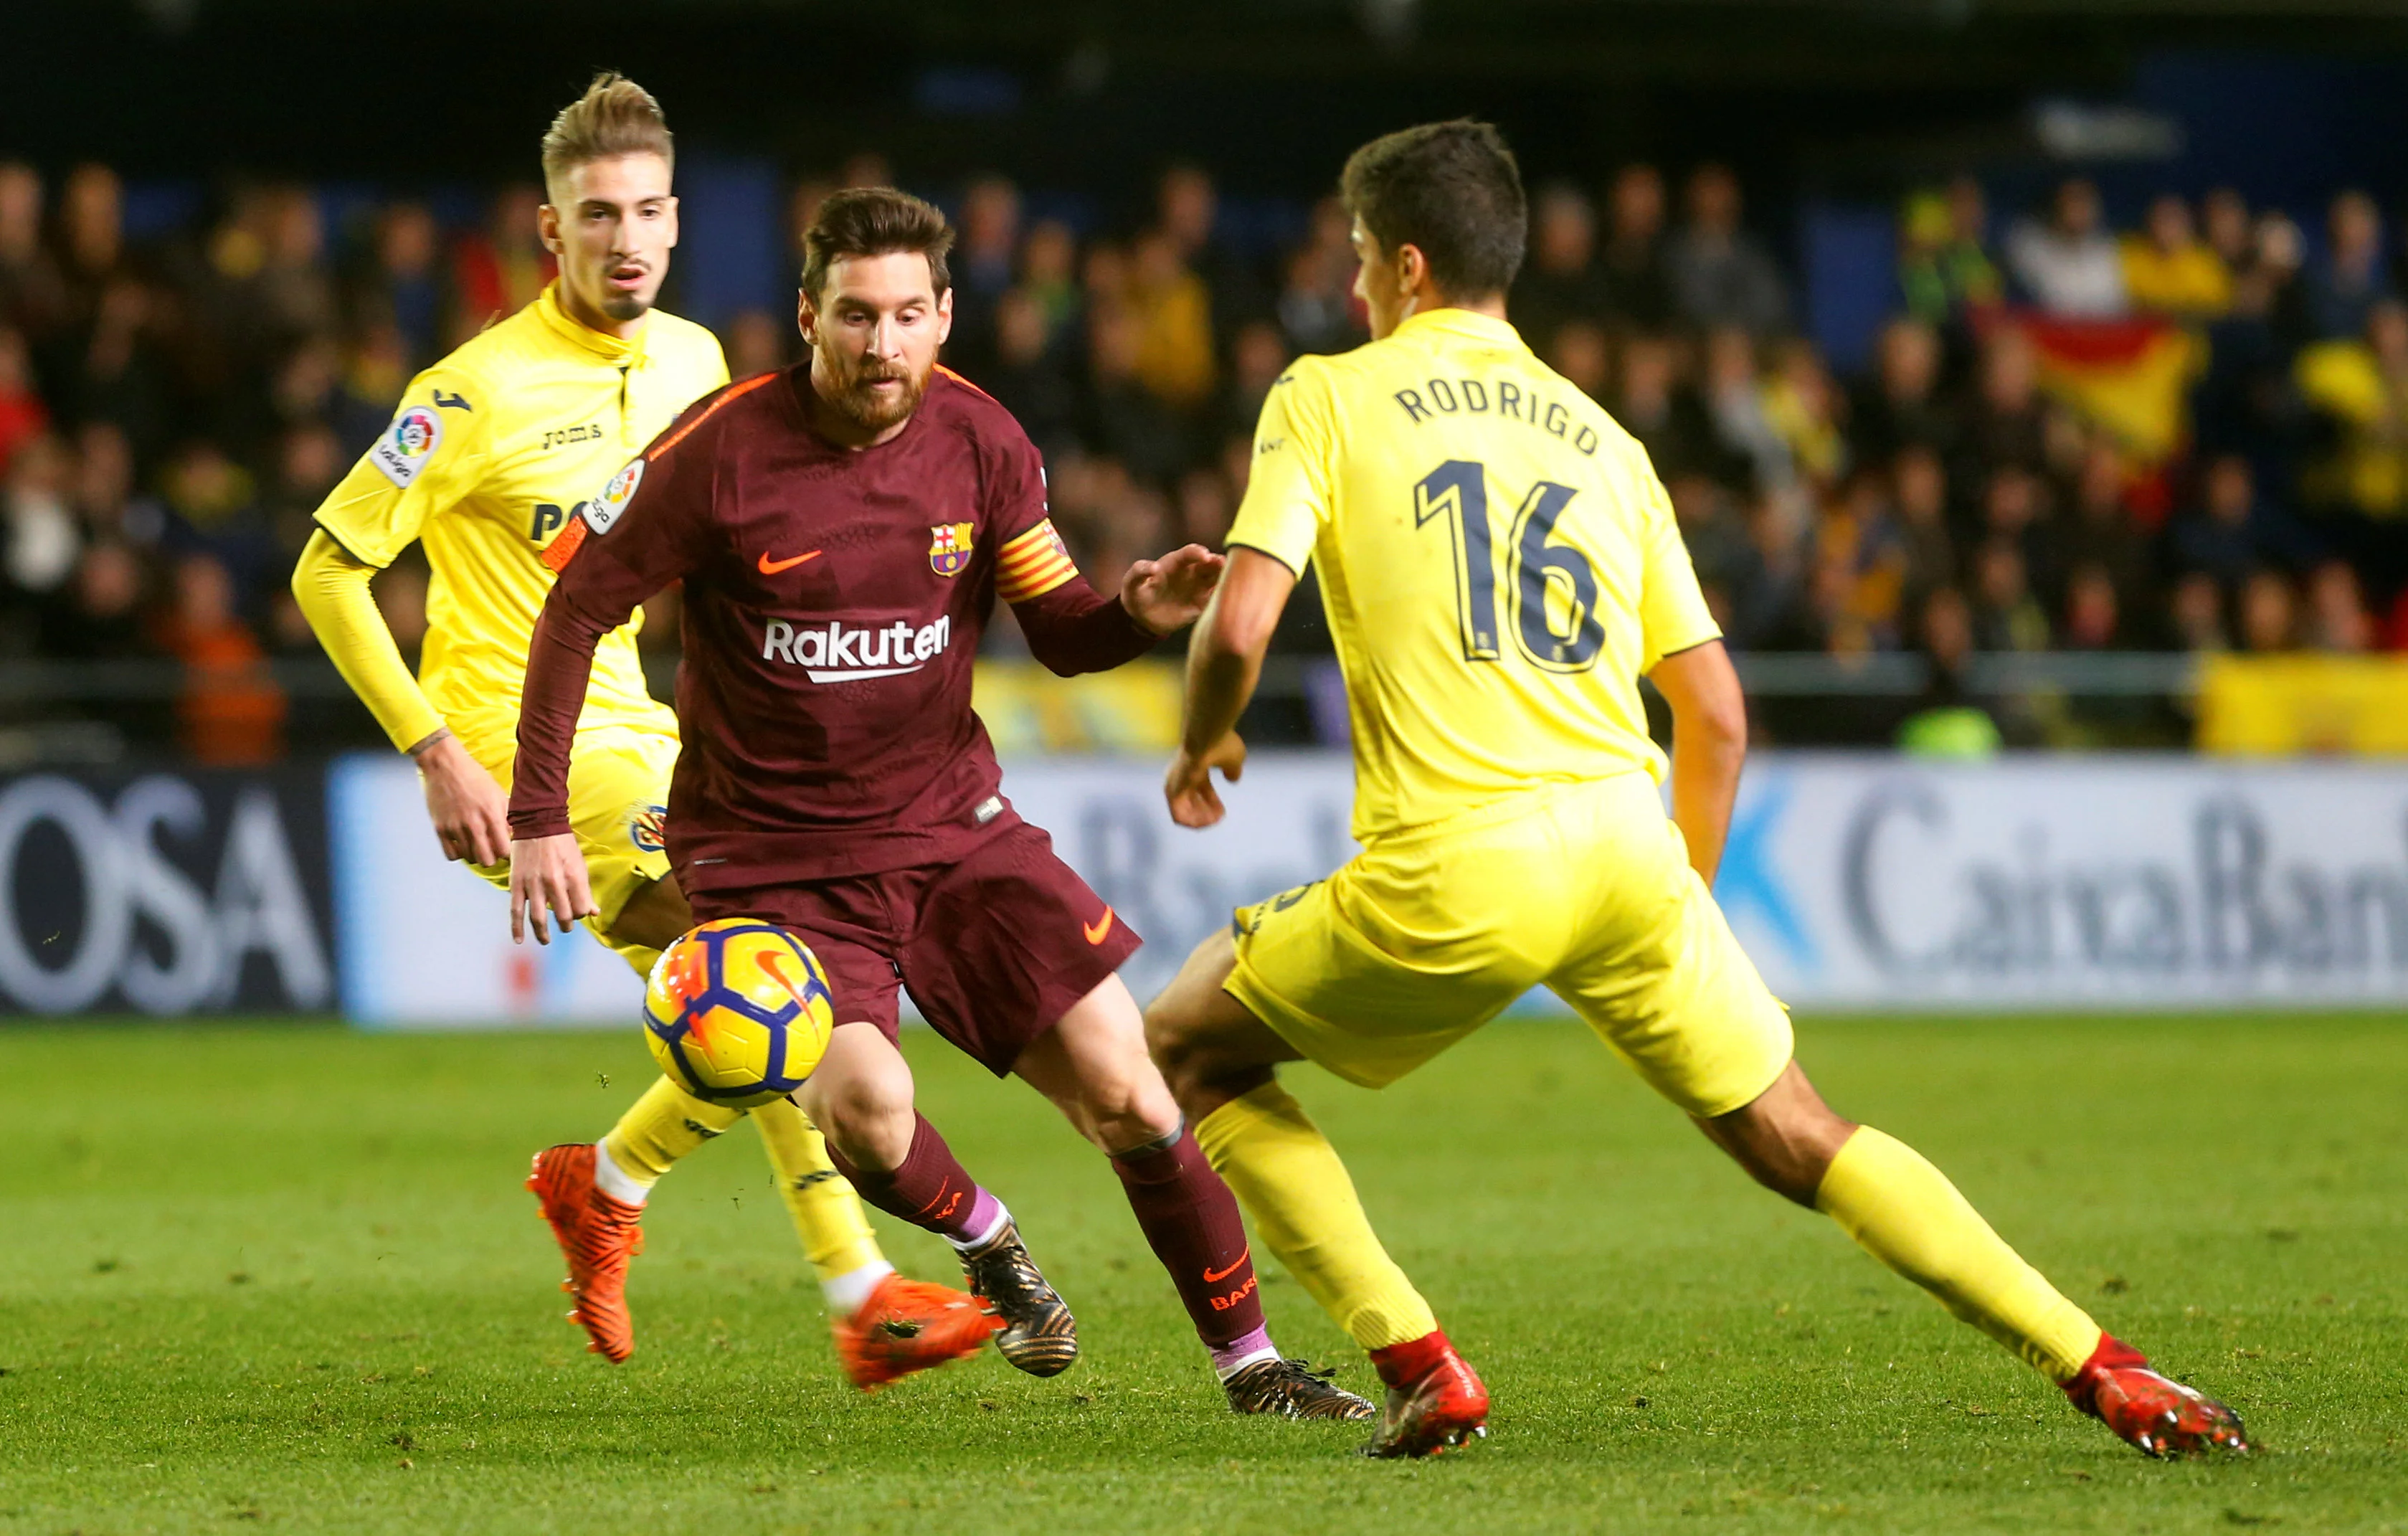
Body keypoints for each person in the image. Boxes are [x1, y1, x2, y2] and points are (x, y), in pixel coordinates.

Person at [1141, 119, 2252, 1461]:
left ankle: (1420, 1359)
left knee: (1188, 1042)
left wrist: (1203, 739)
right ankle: (2109, 1367)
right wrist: (1683, 905)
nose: (1358, 285)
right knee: (1800, 1132)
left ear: (1410, 266)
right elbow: (1714, 714)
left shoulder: (1327, 391)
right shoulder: (1609, 442)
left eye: (1364, 259)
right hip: (1626, 847)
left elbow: (1244, 622)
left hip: (1456, 860)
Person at [502, 186, 1373, 1424]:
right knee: (863, 1113)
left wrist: (1132, 609)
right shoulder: (716, 453)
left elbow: (1062, 633)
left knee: (1131, 1090)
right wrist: (539, 812)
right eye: (855, 316)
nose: (882, 343)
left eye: (908, 314)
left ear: (944, 315)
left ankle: (1254, 1367)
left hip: (951, 829)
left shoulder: (982, 440)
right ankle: (994, 1247)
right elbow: (578, 609)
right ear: (807, 316)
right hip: (770, 859)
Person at [290, 75, 990, 1390]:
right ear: (545, 231)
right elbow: (325, 570)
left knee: (761, 991)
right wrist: (434, 749)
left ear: (677, 223)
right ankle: (851, 1285)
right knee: (762, 964)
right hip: (521, 742)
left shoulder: (693, 362)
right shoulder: (471, 392)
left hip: (654, 731)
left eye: (649, 210)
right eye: (595, 213)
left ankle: (608, 1183)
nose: (625, 237)